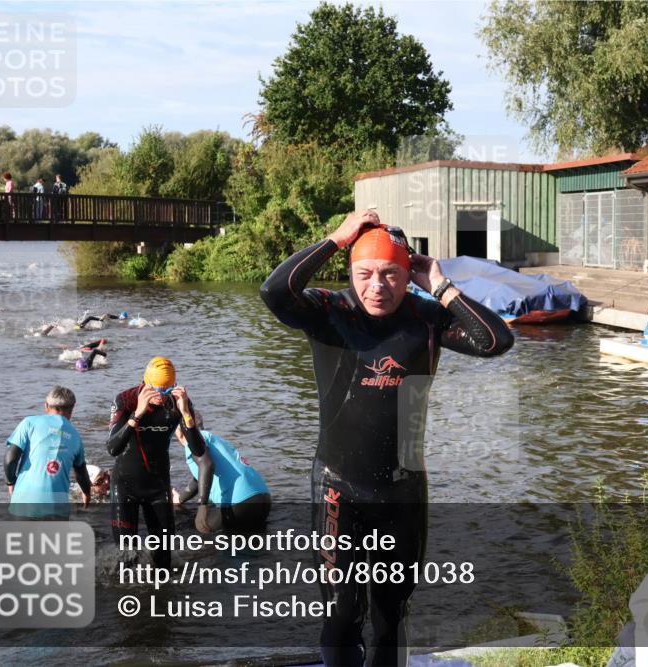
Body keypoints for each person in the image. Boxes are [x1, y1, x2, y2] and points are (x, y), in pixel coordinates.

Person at [260, 210, 514, 667]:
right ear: (351, 274)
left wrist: (441, 285)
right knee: (341, 612)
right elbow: (274, 292)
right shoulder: (329, 313)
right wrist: (336, 239)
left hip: (403, 490)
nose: (377, 285)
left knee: (392, 613)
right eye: (365, 274)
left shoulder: (427, 318)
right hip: (340, 486)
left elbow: (496, 341)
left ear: (407, 274)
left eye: (391, 274)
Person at [106, 357, 212, 568]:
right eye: (157, 391)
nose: (162, 397)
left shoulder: (178, 402)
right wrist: (137, 415)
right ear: (145, 384)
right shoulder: (126, 400)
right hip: (125, 486)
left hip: (158, 486)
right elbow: (112, 448)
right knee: (127, 560)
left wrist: (185, 413)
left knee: (164, 560)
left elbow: (199, 450)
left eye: (167, 391)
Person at [172, 413, 271, 534]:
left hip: (241, 502)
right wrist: (180, 498)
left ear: (180, 431)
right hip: (263, 499)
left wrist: (202, 506)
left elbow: (207, 466)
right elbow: (198, 480)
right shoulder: (215, 439)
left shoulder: (192, 441)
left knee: (200, 528)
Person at [4, 386, 92, 519]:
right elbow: (81, 472)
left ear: (46, 406)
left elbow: (10, 459)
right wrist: (87, 492)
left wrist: (10, 482)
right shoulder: (75, 436)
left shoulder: (29, 423)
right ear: (72, 409)